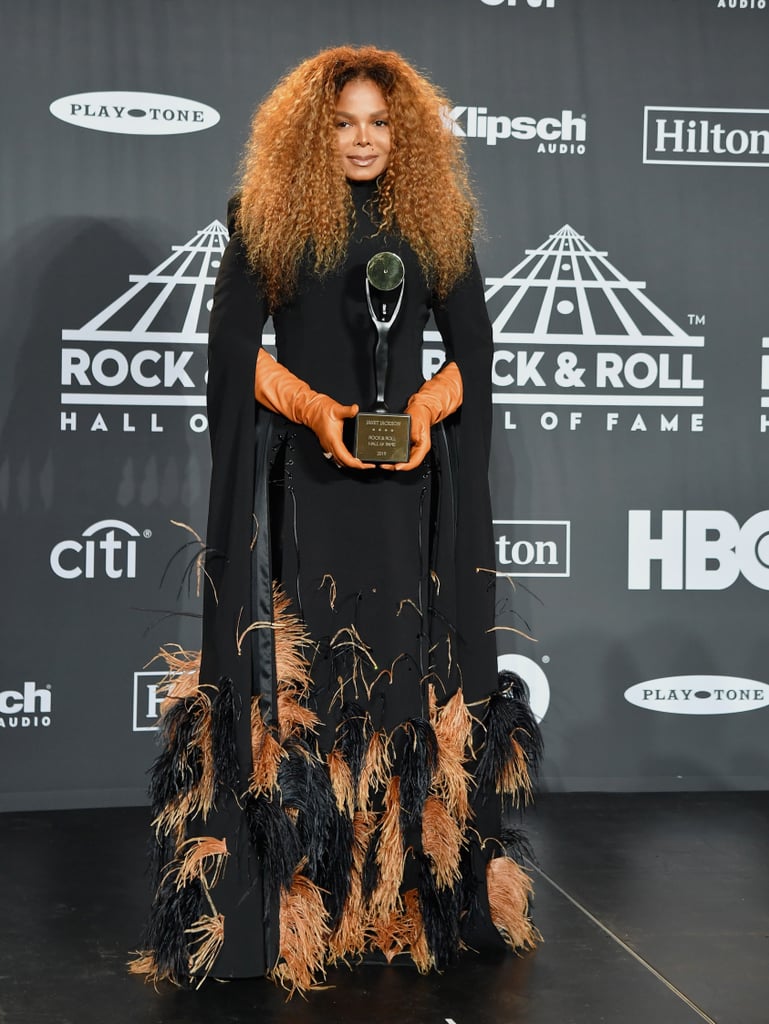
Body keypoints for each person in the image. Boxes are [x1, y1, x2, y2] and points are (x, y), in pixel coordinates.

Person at [131, 44, 542, 994]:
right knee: (311, 675)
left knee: (401, 679)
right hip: (309, 488)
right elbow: (234, 354)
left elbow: (472, 353)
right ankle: (303, 901)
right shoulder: (265, 216)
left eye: (379, 122)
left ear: (403, 133)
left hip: (405, 497)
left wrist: (422, 416)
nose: (362, 139)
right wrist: (321, 413)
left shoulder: (436, 222)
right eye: (344, 121)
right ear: (314, 130)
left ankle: (399, 901)